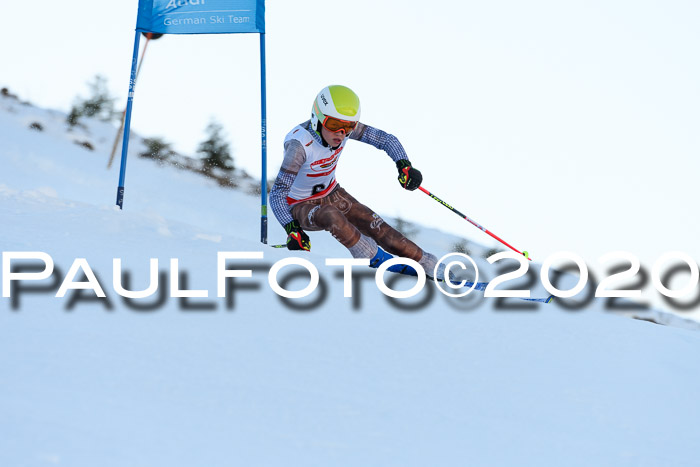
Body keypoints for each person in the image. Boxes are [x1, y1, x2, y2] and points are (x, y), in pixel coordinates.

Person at [269, 84, 447, 280]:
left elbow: (386, 140)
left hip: (333, 193)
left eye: (349, 127)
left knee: (374, 223)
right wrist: (292, 229)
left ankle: (429, 264)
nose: (341, 134)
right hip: (301, 206)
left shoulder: (343, 130)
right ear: (316, 119)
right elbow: (278, 193)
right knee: (331, 215)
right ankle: (373, 257)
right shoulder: (299, 145)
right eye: (334, 125)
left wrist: (404, 165)